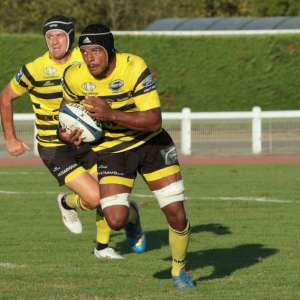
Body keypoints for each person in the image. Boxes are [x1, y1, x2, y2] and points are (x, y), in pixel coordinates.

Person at [59, 23, 195, 289]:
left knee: (176, 213)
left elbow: (154, 121)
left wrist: (110, 114)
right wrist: (64, 134)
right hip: (111, 151)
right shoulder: (74, 76)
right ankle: (133, 216)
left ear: (110, 49)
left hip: (152, 145)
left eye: (96, 51)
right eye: (84, 52)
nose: (89, 58)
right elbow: (66, 114)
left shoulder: (133, 67)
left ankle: (179, 270)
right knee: (115, 221)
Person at [0, 15, 124, 259]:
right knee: (94, 197)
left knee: (110, 194)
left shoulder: (86, 58)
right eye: (49, 37)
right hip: (54, 147)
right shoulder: (34, 70)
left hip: (88, 141)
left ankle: (102, 248)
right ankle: (67, 203)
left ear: (70, 38)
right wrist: (11, 139)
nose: (54, 42)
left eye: (59, 36)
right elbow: (5, 97)